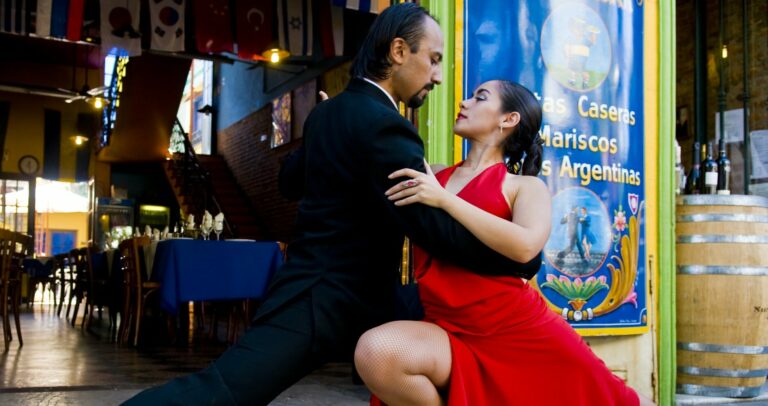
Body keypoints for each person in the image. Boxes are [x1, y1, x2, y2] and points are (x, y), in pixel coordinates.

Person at [123, 4, 539, 405]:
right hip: (322, 302)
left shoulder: (327, 115)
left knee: (468, 329)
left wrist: (324, 130)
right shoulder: (386, 125)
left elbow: (289, 182)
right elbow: (432, 230)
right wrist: (519, 258)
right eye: (432, 60)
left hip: (367, 301)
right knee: (225, 392)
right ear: (397, 52)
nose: (437, 76)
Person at [353, 80, 646, 405]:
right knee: (376, 352)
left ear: (509, 119)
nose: (464, 102)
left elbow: (525, 246)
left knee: (619, 399)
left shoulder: (524, 187)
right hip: (447, 326)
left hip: (519, 330)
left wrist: (446, 201)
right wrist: (340, 120)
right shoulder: (432, 175)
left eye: (480, 97)